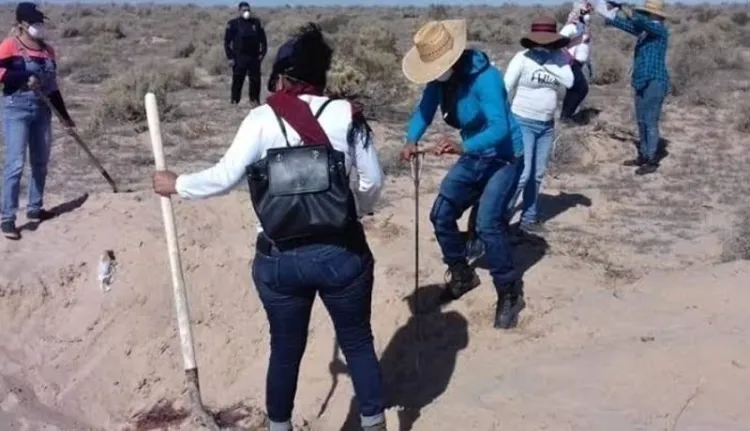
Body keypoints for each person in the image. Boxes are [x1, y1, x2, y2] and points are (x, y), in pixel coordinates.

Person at [153, 23, 387, 431]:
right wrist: (356, 212)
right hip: (341, 252)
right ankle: (373, 424)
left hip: (280, 259)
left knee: (285, 350)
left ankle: (278, 426)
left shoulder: (262, 118)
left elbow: (226, 176)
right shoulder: (347, 114)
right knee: (358, 343)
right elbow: (372, 183)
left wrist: (178, 185)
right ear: (321, 75)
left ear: (281, 75)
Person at [400, 19, 526, 330]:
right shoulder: (440, 81)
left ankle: (509, 291)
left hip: (503, 157)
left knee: (488, 224)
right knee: (441, 213)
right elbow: (424, 111)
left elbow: (498, 128)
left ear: (453, 58)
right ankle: (462, 273)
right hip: (472, 153)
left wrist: (462, 146)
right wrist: (411, 138)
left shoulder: (487, 79)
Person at [1, 2, 75, 240]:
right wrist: (24, 76)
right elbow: (1, 73)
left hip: (43, 110)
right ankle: (8, 218)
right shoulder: (10, 45)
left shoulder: (47, 51)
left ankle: (35, 208)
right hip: (17, 108)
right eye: (33, 22)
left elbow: (52, 88)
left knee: (41, 161)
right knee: (15, 164)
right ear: (22, 23)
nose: (38, 26)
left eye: (40, 22)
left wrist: (65, 117)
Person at [504, 15, 574, 234]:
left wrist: (550, 61)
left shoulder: (559, 59)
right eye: (540, 40)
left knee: (537, 173)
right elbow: (506, 87)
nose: (543, 44)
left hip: (546, 125)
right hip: (522, 120)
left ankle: (529, 218)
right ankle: (500, 219)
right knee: (522, 174)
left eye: (547, 40)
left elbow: (570, 81)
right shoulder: (522, 58)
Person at [593, 0, 670, 175]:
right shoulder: (646, 31)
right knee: (641, 120)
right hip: (642, 80)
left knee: (650, 120)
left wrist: (622, 7)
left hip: (655, 81)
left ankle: (651, 159)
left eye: (646, 12)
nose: (642, 14)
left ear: (654, 14)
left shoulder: (659, 30)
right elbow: (627, 25)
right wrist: (608, 13)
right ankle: (643, 155)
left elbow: (637, 22)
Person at [224, 1, 267, 106]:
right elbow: (227, 42)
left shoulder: (256, 23)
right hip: (239, 57)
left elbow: (263, 40)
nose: (246, 12)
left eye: (248, 10)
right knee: (238, 80)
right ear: (239, 11)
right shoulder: (233, 24)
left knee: (255, 81)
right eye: (244, 10)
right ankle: (234, 101)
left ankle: (254, 101)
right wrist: (230, 57)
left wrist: (262, 53)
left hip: (254, 57)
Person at [559, 1, 594, 123]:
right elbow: (560, 41)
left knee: (573, 90)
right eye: (585, 11)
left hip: (579, 64)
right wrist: (569, 58)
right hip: (570, 62)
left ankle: (564, 117)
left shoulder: (583, 28)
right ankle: (566, 116)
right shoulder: (572, 27)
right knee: (582, 89)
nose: (588, 13)